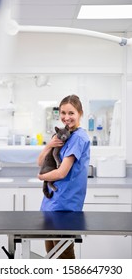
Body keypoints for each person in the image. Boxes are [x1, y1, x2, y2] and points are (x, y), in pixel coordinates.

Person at [37, 94, 90, 259]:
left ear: (80, 113)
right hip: (52, 202)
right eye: (63, 113)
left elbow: (62, 172)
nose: (66, 117)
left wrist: (41, 177)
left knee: (64, 256)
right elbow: (40, 162)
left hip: (65, 204)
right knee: (51, 254)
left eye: (71, 113)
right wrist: (49, 145)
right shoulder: (61, 135)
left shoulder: (79, 138)